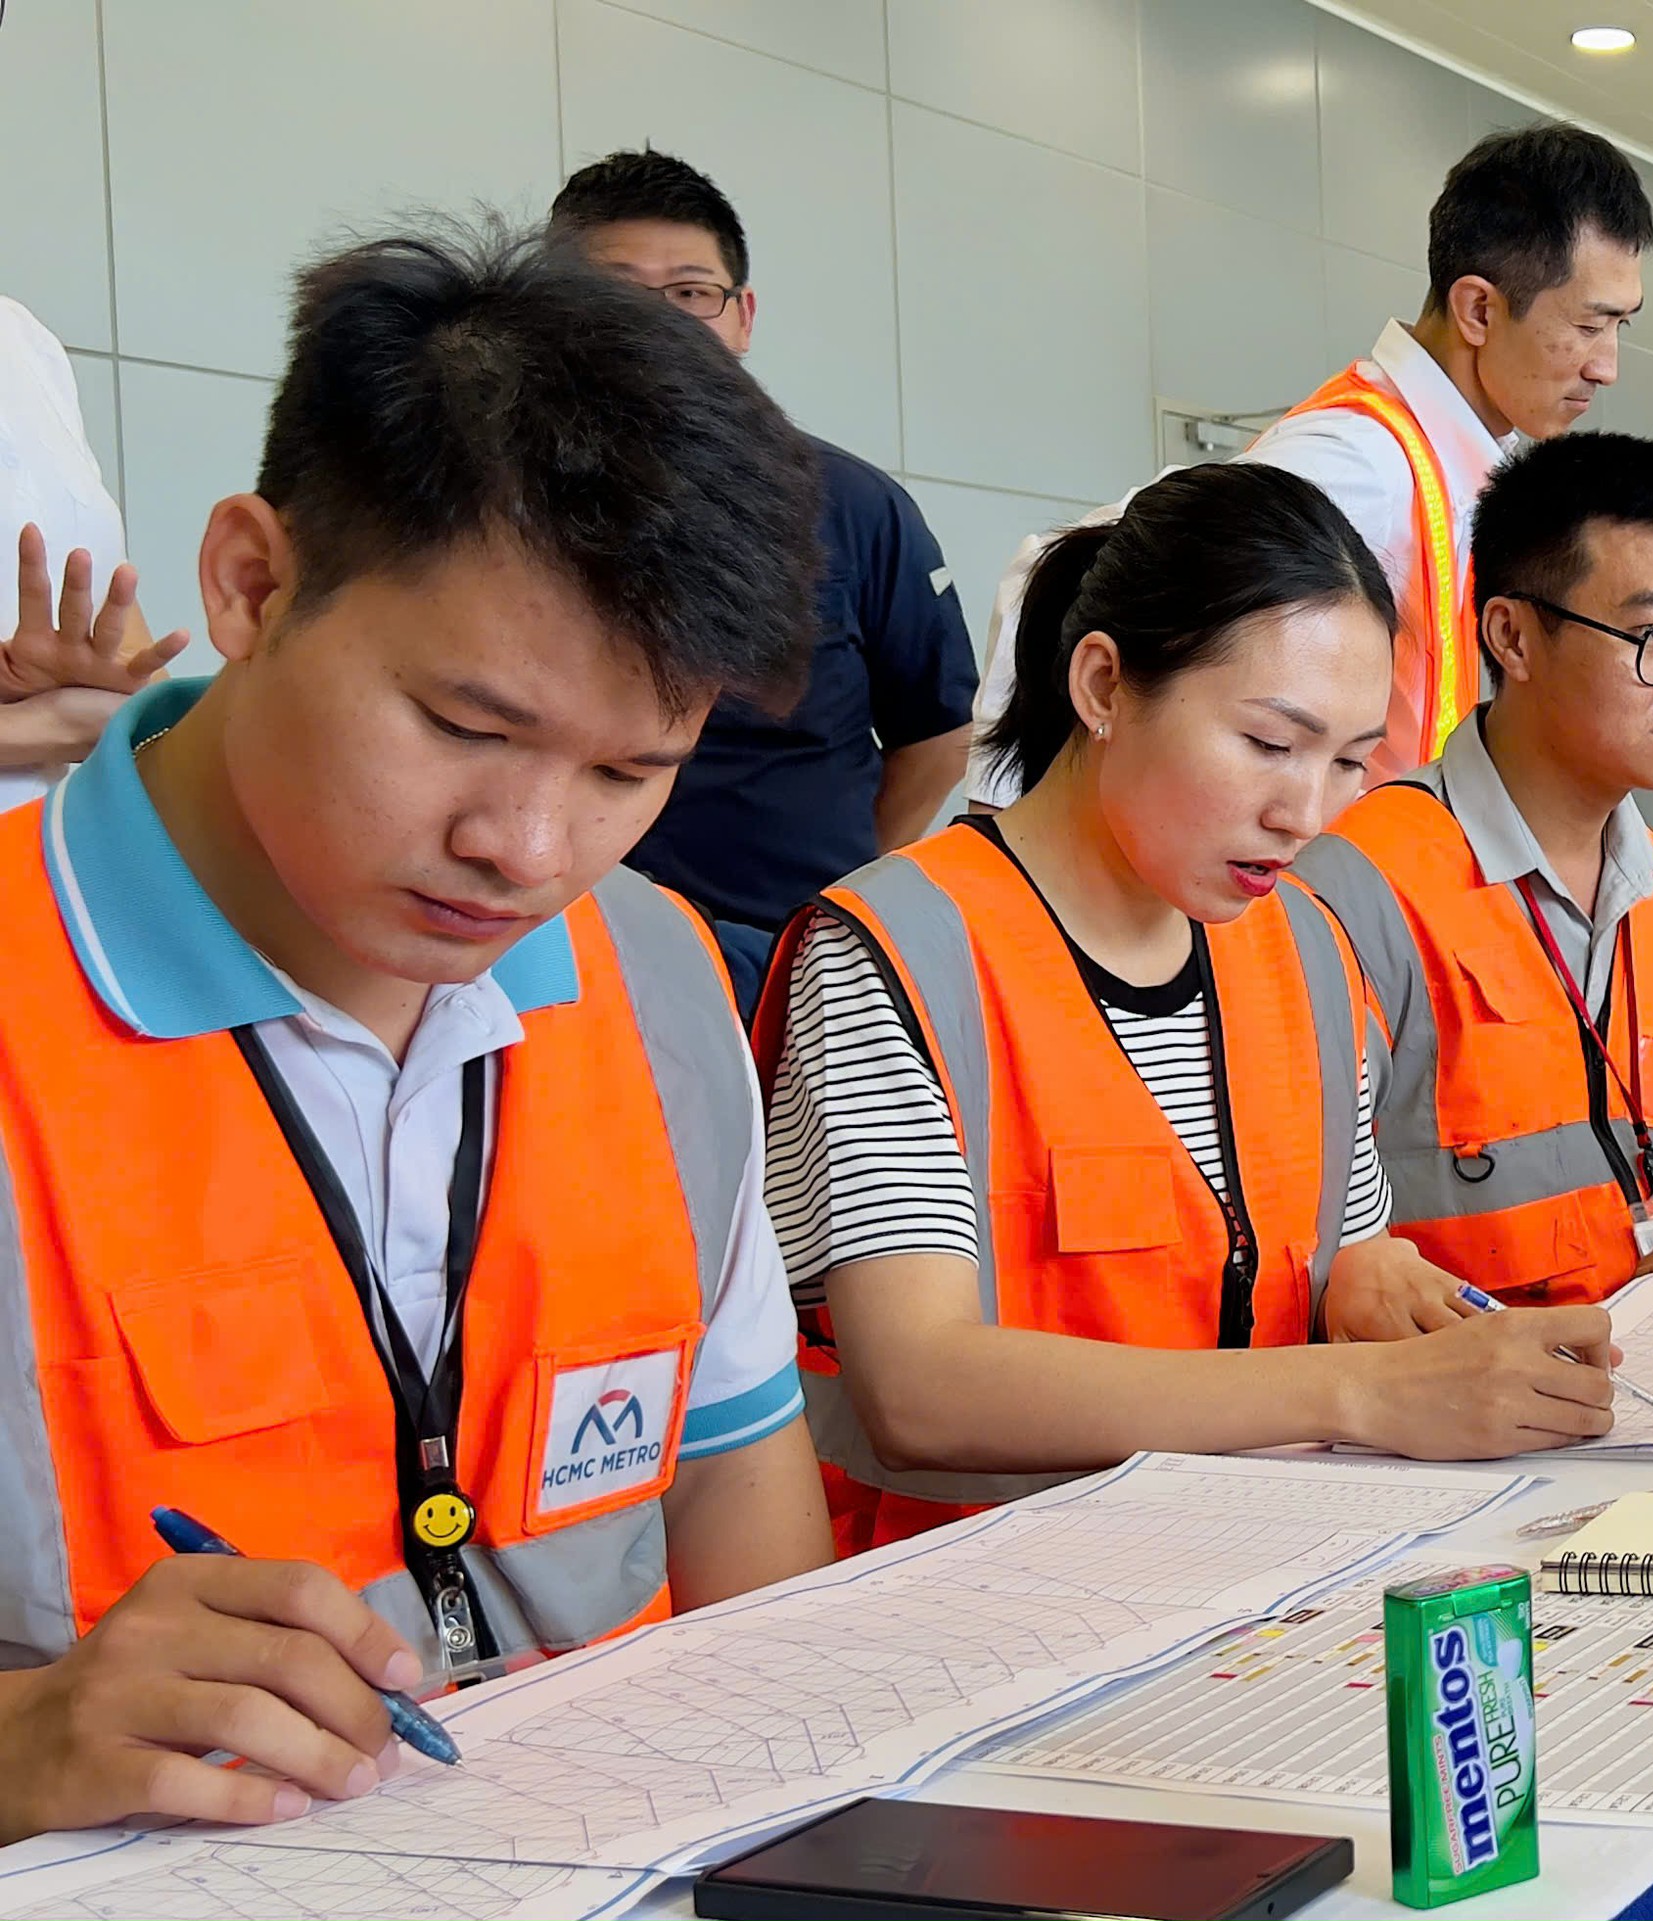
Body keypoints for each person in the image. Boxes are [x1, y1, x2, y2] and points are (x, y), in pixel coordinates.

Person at [0, 227, 835, 1845]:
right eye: (468, 727)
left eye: (627, 773)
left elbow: (738, 1495)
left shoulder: (655, 978)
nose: (529, 849)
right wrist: (24, 1741)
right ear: (252, 582)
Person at [760, 461, 1619, 1552]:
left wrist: (1383, 1286)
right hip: (963, 1608)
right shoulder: (895, 953)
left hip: (1247, 1572)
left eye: (1350, 761)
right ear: (1105, 686)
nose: (1304, 808)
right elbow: (921, 1385)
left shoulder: (1303, 943)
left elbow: (1324, 1246)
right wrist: (1357, 1389)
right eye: (1268, 744)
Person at [965, 123, 1653, 807]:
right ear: (1478, 308)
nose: (1607, 366)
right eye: (1589, 326)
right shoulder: (1360, 461)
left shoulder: (1455, 460)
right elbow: (1052, 572)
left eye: (1621, 326)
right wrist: (1008, 825)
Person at [1293, 433, 1653, 1307]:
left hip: (1633, 1386)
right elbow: (1307, 1263)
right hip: (1450, 1418)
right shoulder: (1357, 889)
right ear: (1512, 635)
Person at [551, 150, 978, 1010]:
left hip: (788, 969)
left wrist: (842, 898)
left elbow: (938, 732)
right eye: (616, 292)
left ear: (742, 315)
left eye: (690, 292)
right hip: (554, 955)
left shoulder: (854, 505)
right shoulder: (495, 501)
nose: (662, 323)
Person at [1, 296, 188, 807]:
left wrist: (127, 699)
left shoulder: (24, 340)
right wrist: (49, 724)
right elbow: (87, 723)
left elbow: (127, 660)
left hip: (45, 852)